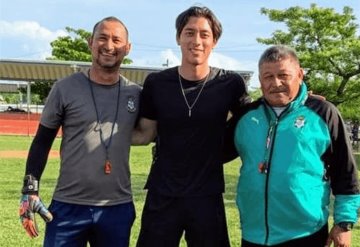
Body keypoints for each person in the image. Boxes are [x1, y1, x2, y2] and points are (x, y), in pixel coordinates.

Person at [132, 5, 250, 247]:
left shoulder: (230, 83)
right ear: (178, 37)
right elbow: (145, 133)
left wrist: (302, 102)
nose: (196, 41)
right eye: (189, 32)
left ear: (214, 41)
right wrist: (95, 129)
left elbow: (254, 119)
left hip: (207, 194)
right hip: (163, 194)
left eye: (204, 34)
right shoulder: (157, 83)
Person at [19, 16, 141, 247]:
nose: (109, 45)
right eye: (102, 38)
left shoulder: (135, 94)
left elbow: (150, 132)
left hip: (116, 207)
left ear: (127, 48)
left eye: (117, 39)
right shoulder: (64, 88)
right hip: (68, 205)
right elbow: (42, 141)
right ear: (90, 42)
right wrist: (30, 190)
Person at [232, 45, 360, 246]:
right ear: (260, 80)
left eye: (284, 75)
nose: (276, 83)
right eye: (268, 76)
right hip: (254, 234)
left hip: (306, 233)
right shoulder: (246, 117)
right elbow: (210, 151)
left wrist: (344, 223)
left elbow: (345, 171)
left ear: (300, 75)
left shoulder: (324, 113)